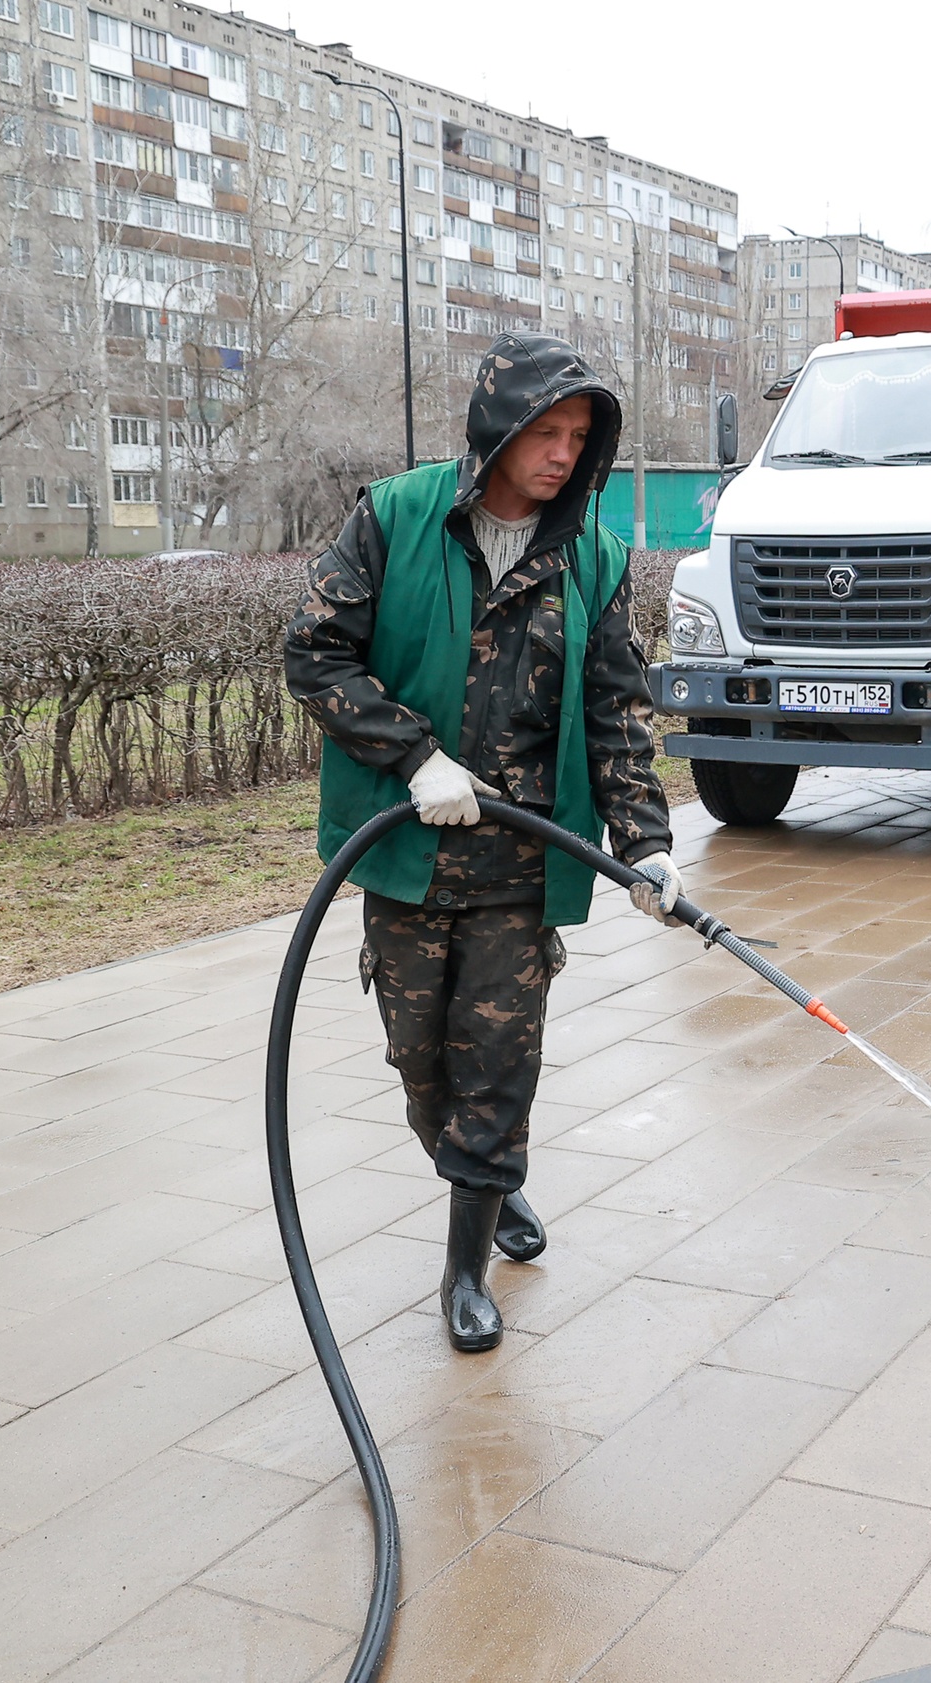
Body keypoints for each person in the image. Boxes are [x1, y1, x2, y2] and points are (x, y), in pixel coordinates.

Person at [287, 332, 678, 1354]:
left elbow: (617, 704)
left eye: (578, 437)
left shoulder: (592, 554)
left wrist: (645, 841)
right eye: (544, 432)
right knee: (421, 1063)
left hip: (522, 860)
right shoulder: (396, 518)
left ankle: (464, 1267)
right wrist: (414, 758)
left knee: (496, 1062)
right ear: (496, 428)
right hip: (410, 851)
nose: (560, 454)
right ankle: (490, 1179)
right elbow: (315, 653)